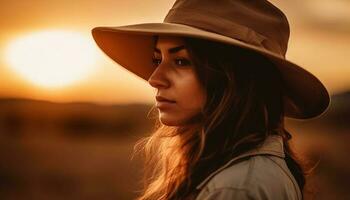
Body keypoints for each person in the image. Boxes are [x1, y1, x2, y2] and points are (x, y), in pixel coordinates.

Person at [91, 0, 330, 199]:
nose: (154, 79)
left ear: (233, 77)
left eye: (182, 61)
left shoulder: (236, 188)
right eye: (157, 60)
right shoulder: (243, 171)